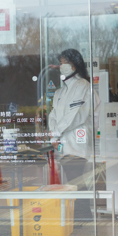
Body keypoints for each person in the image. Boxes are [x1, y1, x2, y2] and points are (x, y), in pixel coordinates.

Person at [48, 49, 100, 186]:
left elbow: (76, 115)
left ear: (75, 65)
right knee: (73, 183)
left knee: (76, 182)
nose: (61, 66)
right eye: (60, 63)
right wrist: (54, 136)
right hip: (63, 144)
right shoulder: (60, 91)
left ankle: (81, 208)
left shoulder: (82, 86)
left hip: (77, 144)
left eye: (65, 62)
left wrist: (55, 133)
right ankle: (79, 208)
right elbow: (53, 115)